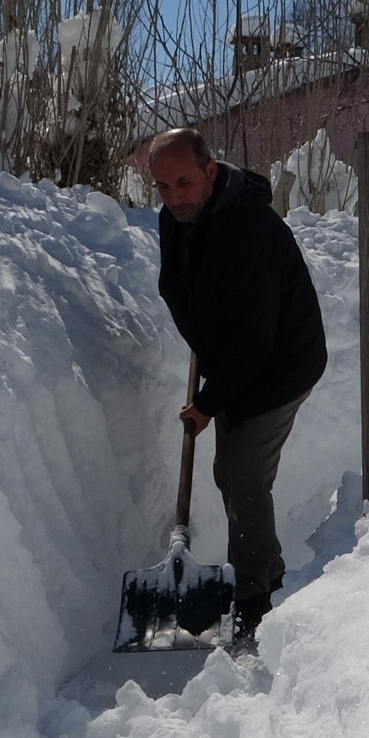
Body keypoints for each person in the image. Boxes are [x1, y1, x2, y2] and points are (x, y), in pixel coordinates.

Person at [148, 127, 327, 645]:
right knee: (229, 475)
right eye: (162, 186)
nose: (173, 197)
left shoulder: (252, 231)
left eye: (183, 182)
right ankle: (269, 573)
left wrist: (208, 403)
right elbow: (182, 286)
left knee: (244, 480)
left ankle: (254, 601)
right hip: (235, 361)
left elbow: (254, 339)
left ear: (210, 170)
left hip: (280, 367)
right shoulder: (177, 218)